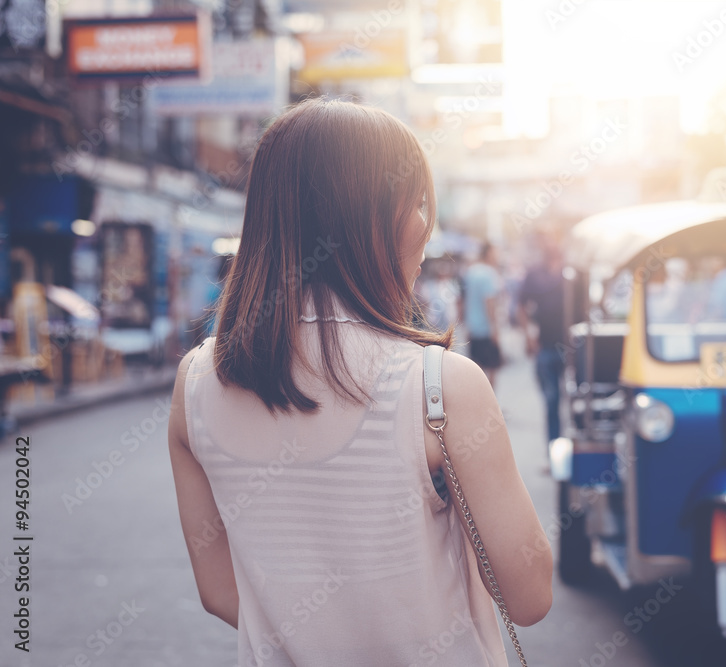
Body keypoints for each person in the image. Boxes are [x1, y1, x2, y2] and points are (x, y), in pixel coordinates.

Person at [167, 99, 552, 667]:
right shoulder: (440, 385)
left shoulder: (194, 384)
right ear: (379, 216)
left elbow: (222, 591)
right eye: (417, 202)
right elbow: (530, 596)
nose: (427, 224)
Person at [519, 244, 566, 444]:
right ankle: (555, 450)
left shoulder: (573, 272)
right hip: (546, 346)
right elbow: (521, 305)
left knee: (575, 402)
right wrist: (529, 337)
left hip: (572, 347)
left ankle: (574, 451)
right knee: (551, 399)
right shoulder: (535, 275)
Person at [462, 242, 503, 386]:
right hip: (486, 330)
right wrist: (495, 329)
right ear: (488, 253)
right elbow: (489, 302)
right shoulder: (489, 273)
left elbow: (464, 300)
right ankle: (490, 405)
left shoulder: (470, 271)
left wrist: (465, 325)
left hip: (473, 328)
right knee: (492, 369)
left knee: (477, 370)